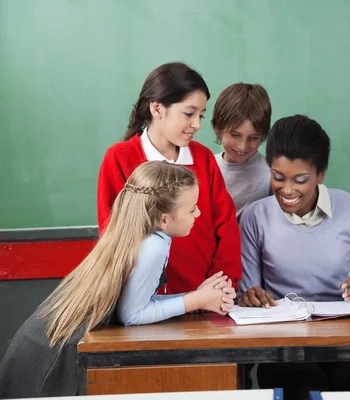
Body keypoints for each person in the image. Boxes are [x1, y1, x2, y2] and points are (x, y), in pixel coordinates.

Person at [0, 161, 236, 398]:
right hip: (52, 361)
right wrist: (196, 300)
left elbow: (138, 301)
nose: (199, 213)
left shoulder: (145, 235)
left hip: (42, 347)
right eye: (192, 208)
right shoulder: (154, 246)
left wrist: (198, 298)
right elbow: (132, 315)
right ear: (164, 219)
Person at [239, 115, 350, 400]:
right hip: (285, 346)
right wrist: (249, 297)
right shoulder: (254, 217)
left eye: (300, 180)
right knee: (302, 385)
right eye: (278, 177)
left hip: (348, 341)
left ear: (320, 175)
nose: (287, 190)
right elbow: (248, 294)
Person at [97, 62, 241, 294]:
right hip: (145, 303)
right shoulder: (120, 158)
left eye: (201, 115)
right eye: (189, 113)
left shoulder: (203, 158)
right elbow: (112, 234)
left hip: (206, 298)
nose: (197, 124)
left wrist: (220, 284)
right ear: (157, 109)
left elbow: (226, 225)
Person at [212, 83, 272, 219]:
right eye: (235, 135)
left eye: (253, 138)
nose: (242, 147)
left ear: (263, 136)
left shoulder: (269, 174)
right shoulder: (207, 167)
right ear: (218, 128)